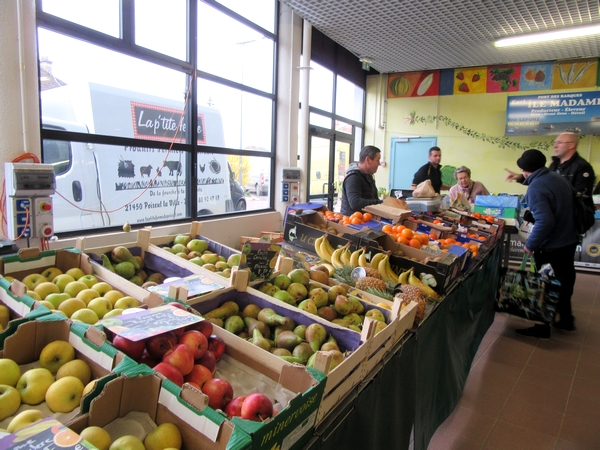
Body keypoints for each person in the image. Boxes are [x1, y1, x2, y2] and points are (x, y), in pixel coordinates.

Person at [514, 149, 579, 339]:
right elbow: (558, 209)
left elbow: (546, 221)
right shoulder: (556, 178)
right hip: (568, 240)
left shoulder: (536, 186)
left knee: (544, 284)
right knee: (564, 280)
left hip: (552, 245)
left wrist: (531, 244)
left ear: (526, 170)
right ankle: (566, 320)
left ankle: (541, 328)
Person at [505, 132, 595, 196]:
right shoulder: (554, 164)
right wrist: (521, 177)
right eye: (555, 143)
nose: (554, 146)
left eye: (559, 143)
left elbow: (580, 195)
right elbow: (543, 182)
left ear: (571, 145)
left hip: (574, 218)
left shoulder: (582, 167)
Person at [340, 145, 383, 216]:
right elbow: (355, 203)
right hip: (352, 223)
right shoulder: (353, 177)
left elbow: (373, 198)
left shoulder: (368, 177)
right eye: (377, 160)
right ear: (368, 160)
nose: (379, 164)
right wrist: (380, 202)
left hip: (365, 221)